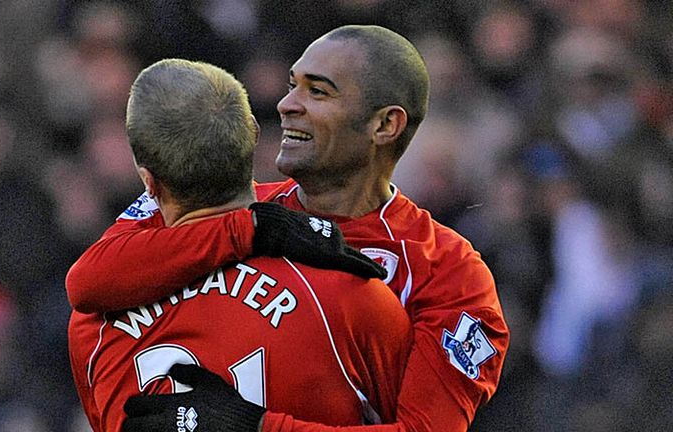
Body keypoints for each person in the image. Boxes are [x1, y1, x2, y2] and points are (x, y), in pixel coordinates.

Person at [67, 25, 510, 431]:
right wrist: (253, 228)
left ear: (384, 124)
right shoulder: (225, 203)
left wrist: (255, 427)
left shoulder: (449, 274)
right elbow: (88, 282)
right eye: (291, 84)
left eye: (317, 92)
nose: (286, 104)